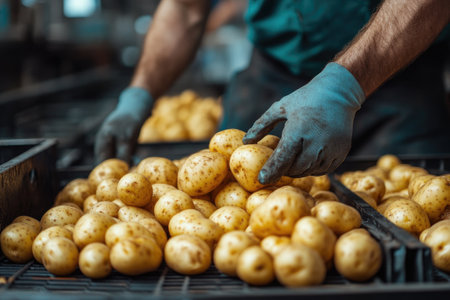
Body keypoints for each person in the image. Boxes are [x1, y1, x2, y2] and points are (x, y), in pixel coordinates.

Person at [95, 0, 450, 185]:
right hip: (272, 72)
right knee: (233, 192)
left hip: (397, 73)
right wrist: (139, 94)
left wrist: (343, 88)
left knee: (407, 208)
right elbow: (185, 8)